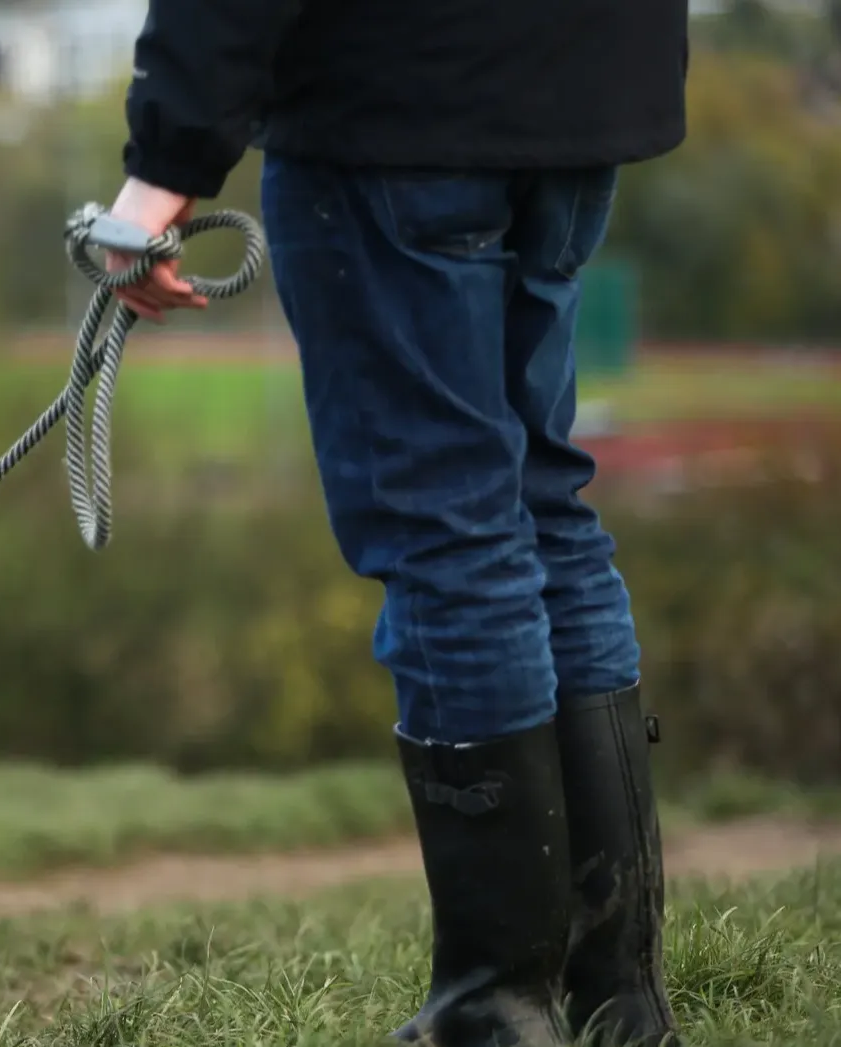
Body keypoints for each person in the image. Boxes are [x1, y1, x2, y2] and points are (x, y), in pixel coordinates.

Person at [102, 3, 690, 1046]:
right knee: (542, 509)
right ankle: (614, 1001)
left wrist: (165, 164)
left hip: (395, 103)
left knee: (448, 533)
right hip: (582, 84)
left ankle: (497, 1010)